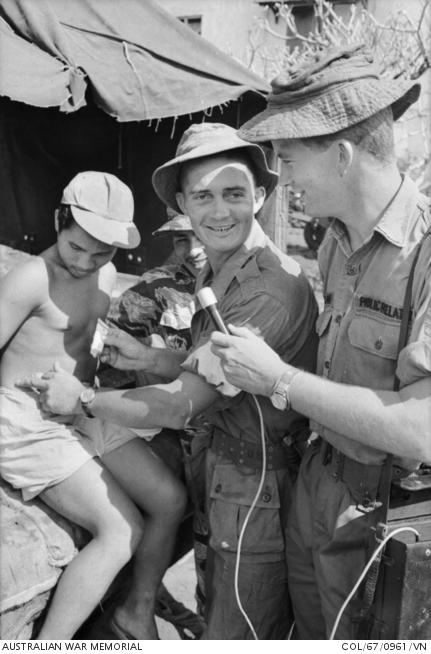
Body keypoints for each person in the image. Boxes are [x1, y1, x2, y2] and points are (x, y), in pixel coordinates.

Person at [19, 123, 319, 640]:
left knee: (237, 633)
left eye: (233, 194)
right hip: (221, 475)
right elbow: (203, 364)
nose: (218, 211)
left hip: (256, 490)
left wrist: (86, 399)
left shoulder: (266, 289)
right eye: (203, 196)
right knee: (216, 607)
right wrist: (147, 356)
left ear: (262, 196)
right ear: (184, 203)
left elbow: (182, 405)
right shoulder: (220, 272)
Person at [208, 45, 431, 639]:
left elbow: (420, 427)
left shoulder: (425, 253)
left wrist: (277, 378)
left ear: (340, 155)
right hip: (317, 482)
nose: (282, 180)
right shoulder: (336, 244)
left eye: (287, 159)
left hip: (378, 511)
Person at [1, 171, 187, 640]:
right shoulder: (29, 278)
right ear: (58, 223)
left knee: (169, 500)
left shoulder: (105, 273)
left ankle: (136, 611)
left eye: (100, 252)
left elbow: (88, 345)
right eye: (75, 247)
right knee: (120, 528)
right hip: (25, 418)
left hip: (82, 406)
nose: (85, 262)